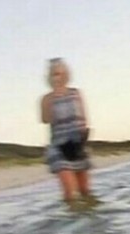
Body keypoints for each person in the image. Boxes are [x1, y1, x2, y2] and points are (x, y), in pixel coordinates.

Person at [40, 58, 92, 202]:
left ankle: (86, 220)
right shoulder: (46, 98)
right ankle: (72, 216)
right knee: (70, 193)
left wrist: (83, 140)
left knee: (85, 191)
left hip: (77, 144)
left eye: (62, 73)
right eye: (55, 74)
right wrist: (51, 101)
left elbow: (83, 117)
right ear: (50, 77)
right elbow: (45, 119)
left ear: (67, 75)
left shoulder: (76, 93)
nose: (59, 77)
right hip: (59, 146)